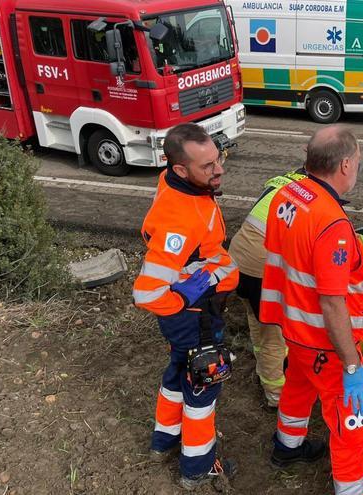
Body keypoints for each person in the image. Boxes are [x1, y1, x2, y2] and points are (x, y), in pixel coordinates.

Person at [260, 125, 363, 495]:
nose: (359, 167)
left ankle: (287, 447)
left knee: (297, 387)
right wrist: (352, 365)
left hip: (293, 326)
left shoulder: (289, 193)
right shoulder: (332, 224)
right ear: (345, 165)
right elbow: (332, 301)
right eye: (358, 161)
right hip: (328, 343)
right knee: (352, 425)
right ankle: (353, 489)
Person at [132, 124, 239, 487]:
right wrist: (194, 289)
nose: (218, 169)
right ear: (180, 170)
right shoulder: (182, 219)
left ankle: (163, 441)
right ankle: (197, 466)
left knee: (178, 372)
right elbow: (147, 293)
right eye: (207, 166)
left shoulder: (175, 183)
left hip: (188, 318)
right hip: (195, 318)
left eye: (217, 158)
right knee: (203, 386)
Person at [230, 167, 307, 408]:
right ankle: (275, 395)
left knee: (255, 315)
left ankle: (261, 358)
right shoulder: (308, 196)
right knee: (276, 333)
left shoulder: (283, 182)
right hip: (260, 267)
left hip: (238, 259)